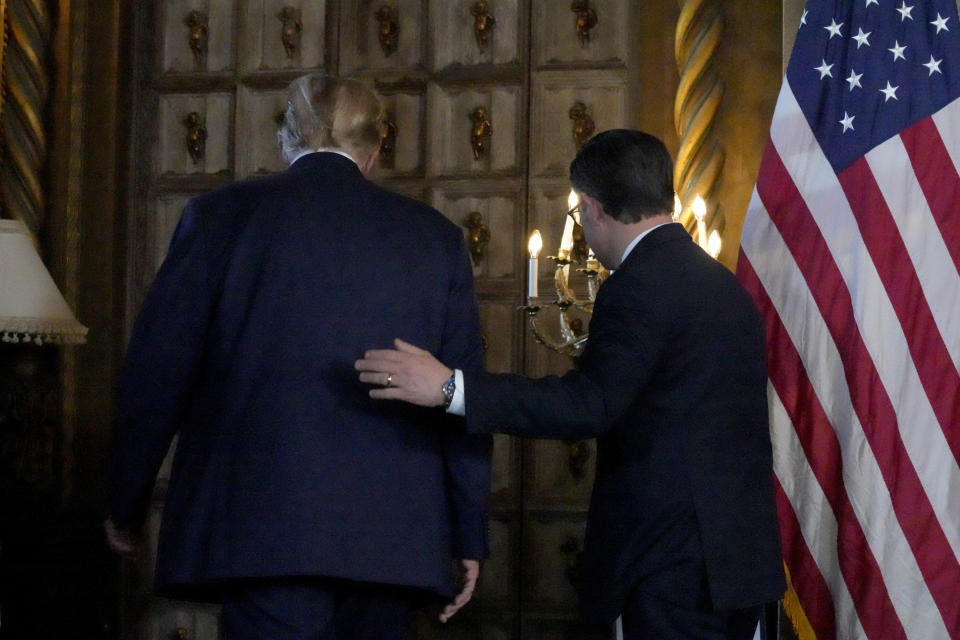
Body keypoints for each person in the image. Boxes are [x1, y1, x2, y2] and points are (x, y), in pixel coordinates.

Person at [356, 130, 786, 639]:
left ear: (592, 207)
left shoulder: (638, 286)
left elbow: (588, 405)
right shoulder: (722, 284)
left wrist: (451, 388)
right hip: (741, 569)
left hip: (667, 568)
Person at [105, 73, 491, 640]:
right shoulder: (435, 238)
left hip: (261, 531)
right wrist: (466, 534)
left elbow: (158, 373)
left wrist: (125, 499)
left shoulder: (219, 219)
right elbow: (460, 396)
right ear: (376, 148)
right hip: (392, 538)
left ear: (284, 138)